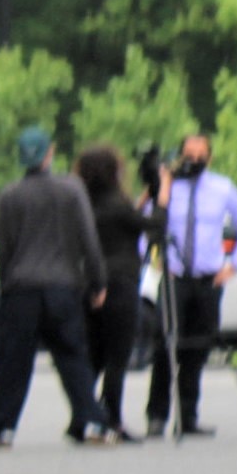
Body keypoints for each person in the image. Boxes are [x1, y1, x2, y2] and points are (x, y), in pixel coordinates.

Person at [0, 125, 108, 448]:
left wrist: (5, 285)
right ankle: (91, 420)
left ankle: (2, 428)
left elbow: (5, 248)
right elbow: (88, 240)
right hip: (62, 287)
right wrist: (97, 282)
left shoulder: (11, 196)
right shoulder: (71, 190)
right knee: (72, 357)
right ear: (49, 154)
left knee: (13, 360)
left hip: (21, 288)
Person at [145, 132, 237, 438]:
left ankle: (188, 416)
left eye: (201, 156)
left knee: (197, 350)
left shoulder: (222, 188)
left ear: (210, 158)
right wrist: (150, 259)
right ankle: (157, 416)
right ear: (180, 155)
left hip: (207, 280)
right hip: (175, 277)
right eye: (189, 155)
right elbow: (147, 224)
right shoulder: (167, 186)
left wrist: (233, 265)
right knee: (165, 345)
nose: (195, 161)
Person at [75, 144, 147, 443]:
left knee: (95, 355)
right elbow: (152, 225)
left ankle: (83, 416)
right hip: (120, 282)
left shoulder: (84, 203)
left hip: (90, 282)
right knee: (118, 354)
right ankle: (112, 418)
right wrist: (163, 196)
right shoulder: (117, 204)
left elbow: (129, 220)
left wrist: (144, 198)